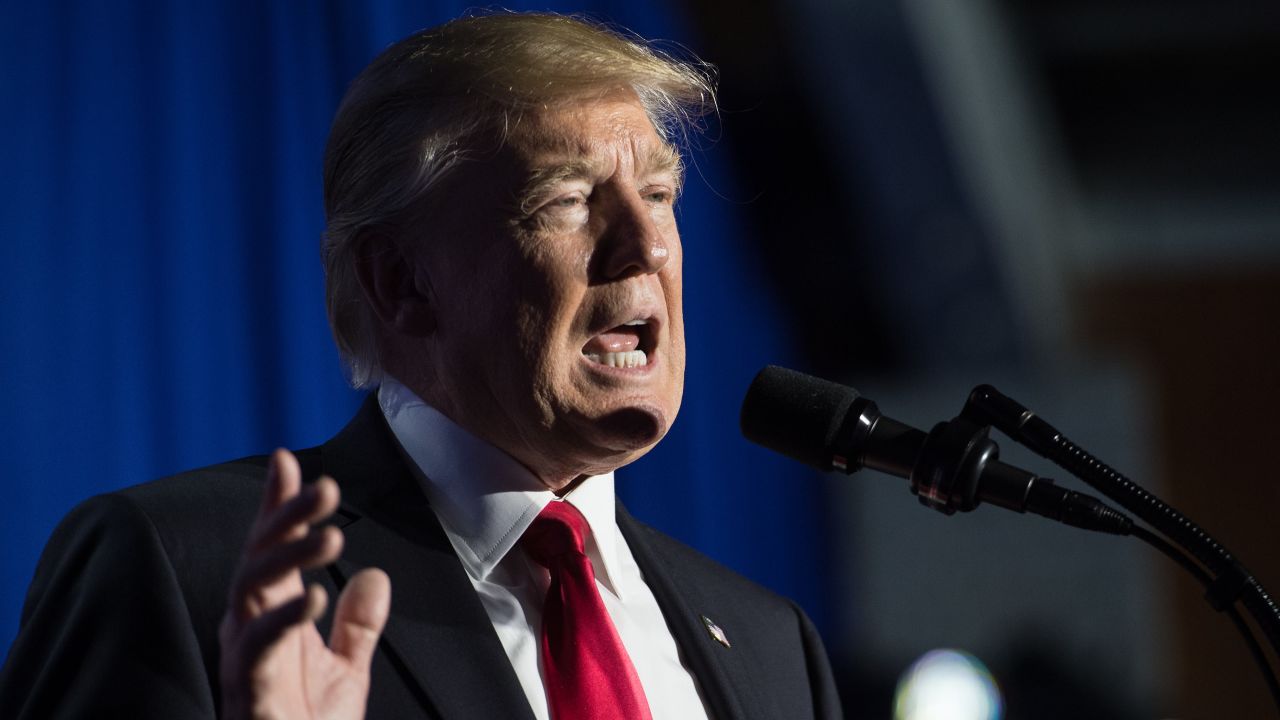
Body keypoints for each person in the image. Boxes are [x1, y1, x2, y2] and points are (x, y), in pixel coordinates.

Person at [0, 12, 842, 719]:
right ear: (402, 282)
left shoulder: (773, 651)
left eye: (660, 196)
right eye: (569, 200)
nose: (649, 245)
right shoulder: (184, 571)